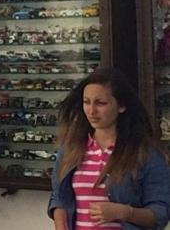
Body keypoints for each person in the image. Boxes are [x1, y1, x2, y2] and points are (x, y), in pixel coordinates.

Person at [48, 68, 170, 230]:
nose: (91, 111)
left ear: (121, 106)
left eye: (101, 103)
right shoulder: (70, 149)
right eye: (86, 102)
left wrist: (126, 212)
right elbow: (59, 198)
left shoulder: (145, 153)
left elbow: (160, 214)